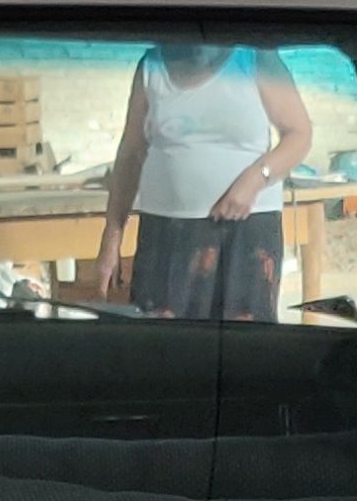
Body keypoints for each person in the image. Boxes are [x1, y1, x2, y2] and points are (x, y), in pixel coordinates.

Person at [93, 43, 316, 321]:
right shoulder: (152, 66)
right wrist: (112, 236)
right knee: (161, 337)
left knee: (243, 338)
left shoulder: (253, 58)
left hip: (245, 232)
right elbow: (131, 152)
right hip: (166, 235)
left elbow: (299, 134)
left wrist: (255, 179)